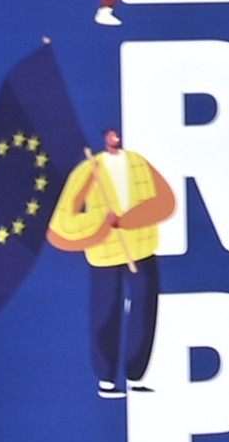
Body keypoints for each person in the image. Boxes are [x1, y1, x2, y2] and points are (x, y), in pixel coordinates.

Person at [47, 127, 177, 399]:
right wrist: (101, 225)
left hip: (140, 250)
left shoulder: (139, 163)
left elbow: (165, 201)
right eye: (109, 136)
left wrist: (127, 220)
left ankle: (136, 374)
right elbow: (62, 220)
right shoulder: (89, 169)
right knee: (105, 313)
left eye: (117, 136)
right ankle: (106, 378)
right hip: (104, 255)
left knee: (144, 309)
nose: (114, 139)